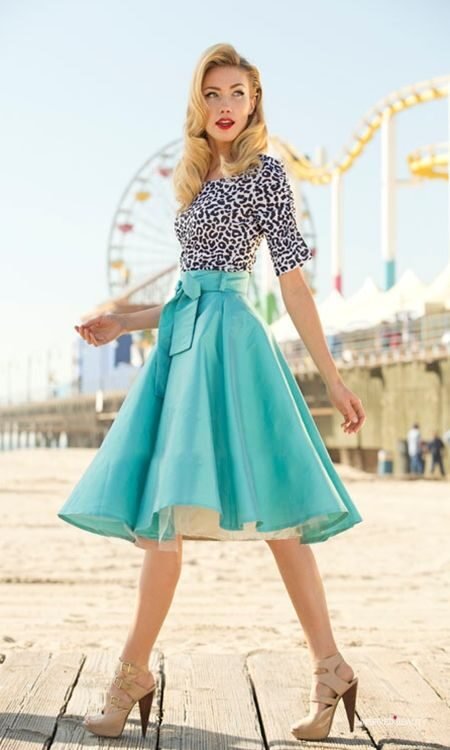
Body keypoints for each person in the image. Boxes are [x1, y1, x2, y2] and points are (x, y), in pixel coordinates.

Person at [57, 43, 365, 742]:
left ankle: (330, 668)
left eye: (238, 93)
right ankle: (135, 670)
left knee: (282, 521)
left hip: (233, 349)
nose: (226, 107)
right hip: (182, 348)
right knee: (161, 516)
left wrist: (335, 375)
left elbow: (291, 283)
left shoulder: (266, 175)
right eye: (214, 94)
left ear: (255, 101)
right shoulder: (192, 176)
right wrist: (121, 319)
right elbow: (184, 292)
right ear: (201, 104)